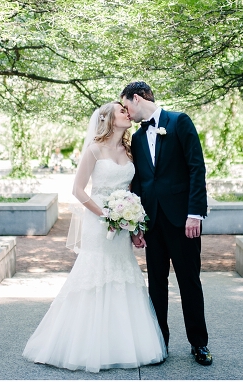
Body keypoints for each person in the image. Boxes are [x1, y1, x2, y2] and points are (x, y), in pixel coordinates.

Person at [23, 102, 166, 373]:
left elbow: (132, 191)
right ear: (109, 119)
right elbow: (77, 190)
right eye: (121, 111)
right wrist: (106, 214)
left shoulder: (129, 150)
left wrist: (134, 226)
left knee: (121, 274)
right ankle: (81, 344)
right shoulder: (94, 149)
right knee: (95, 273)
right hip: (99, 221)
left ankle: (120, 344)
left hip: (122, 223)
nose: (127, 113)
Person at [120, 81, 212, 366]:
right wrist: (136, 226)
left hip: (183, 220)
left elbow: (196, 168)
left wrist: (195, 213)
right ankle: (159, 342)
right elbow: (139, 182)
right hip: (153, 222)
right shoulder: (137, 138)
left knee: (189, 282)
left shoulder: (179, 121)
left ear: (137, 99)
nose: (126, 112)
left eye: (126, 105)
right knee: (156, 285)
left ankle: (199, 343)